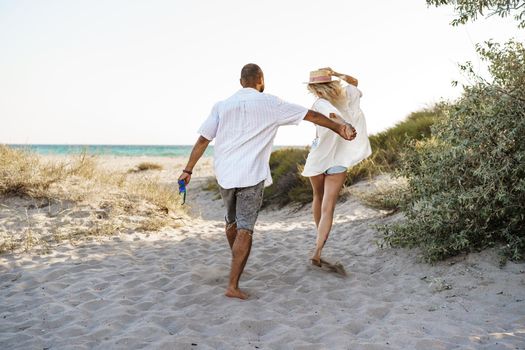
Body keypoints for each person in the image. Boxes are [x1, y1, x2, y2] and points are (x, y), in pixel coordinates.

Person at [178, 63, 356, 300]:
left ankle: (236, 260)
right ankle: (233, 285)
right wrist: (339, 127)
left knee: (231, 222)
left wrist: (187, 170)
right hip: (251, 175)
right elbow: (310, 115)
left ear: (241, 81)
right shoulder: (271, 103)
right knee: (245, 228)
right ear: (260, 80)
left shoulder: (221, 106)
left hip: (225, 175)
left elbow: (203, 140)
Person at [301, 68, 372, 267]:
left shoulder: (319, 103)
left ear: (314, 88)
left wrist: (344, 124)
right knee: (328, 207)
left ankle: (318, 242)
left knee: (317, 197)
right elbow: (355, 82)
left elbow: (332, 115)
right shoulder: (347, 96)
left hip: (318, 158)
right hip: (338, 161)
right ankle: (318, 249)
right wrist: (337, 73)